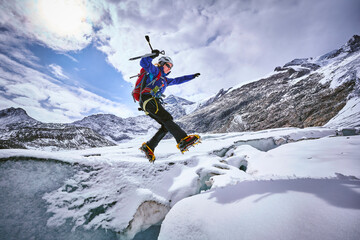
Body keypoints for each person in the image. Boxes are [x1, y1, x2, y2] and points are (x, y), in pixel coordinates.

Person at [138, 50, 201, 162]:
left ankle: (149, 146)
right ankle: (182, 140)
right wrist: (152, 55)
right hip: (148, 99)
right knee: (167, 119)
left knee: (165, 126)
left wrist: (191, 76)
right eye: (168, 65)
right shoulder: (155, 71)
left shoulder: (165, 80)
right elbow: (143, 62)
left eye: (171, 66)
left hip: (149, 102)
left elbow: (178, 80)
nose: (169, 68)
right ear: (162, 64)